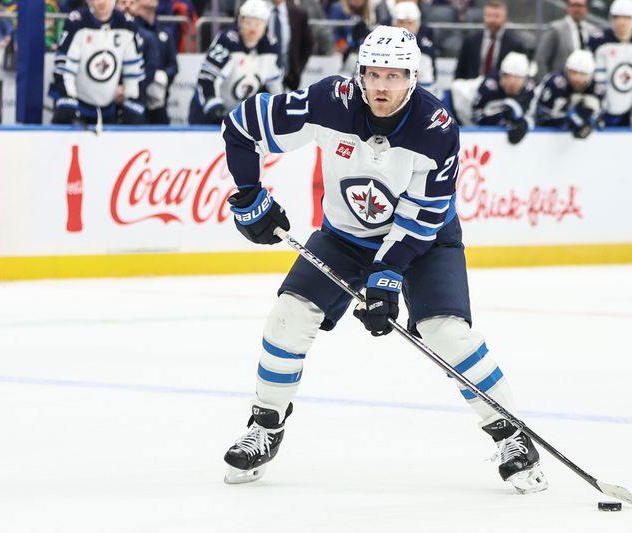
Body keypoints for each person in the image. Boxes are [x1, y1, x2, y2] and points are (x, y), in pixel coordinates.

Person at [219, 25, 549, 495]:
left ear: (412, 77)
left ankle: (511, 434)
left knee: (446, 332)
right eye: (372, 74)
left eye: (392, 76)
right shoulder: (329, 102)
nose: (380, 86)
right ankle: (265, 426)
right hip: (344, 237)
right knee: (289, 315)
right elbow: (241, 124)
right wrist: (249, 194)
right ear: (359, 74)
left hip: (426, 242)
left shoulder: (436, 129)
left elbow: (423, 217)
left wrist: (387, 274)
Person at [48, 0, 146, 125]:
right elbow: (65, 66)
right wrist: (67, 98)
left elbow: (134, 70)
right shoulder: (77, 22)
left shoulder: (127, 25)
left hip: (109, 109)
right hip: (77, 108)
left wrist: (133, 99)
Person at [188, 0, 281, 125]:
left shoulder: (270, 47)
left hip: (239, 118)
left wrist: (279, 109)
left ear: (265, 26)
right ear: (240, 22)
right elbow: (206, 79)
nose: (253, 28)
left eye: (258, 23)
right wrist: (215, 109)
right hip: (208, 115)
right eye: (248, 22)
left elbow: (274, 84)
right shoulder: (228, 41)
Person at [589, 0, 632, 126]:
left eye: (627, 18)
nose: (622, 22)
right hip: (605, 104)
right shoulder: (598, 41)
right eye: (617, 18)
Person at [531, 49, 603, 139]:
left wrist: (589, 119)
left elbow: (601, 122)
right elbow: (541, 118)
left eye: (583, 74)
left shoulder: (596, 89)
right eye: (573, 72)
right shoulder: (555, 83)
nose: (577, 78)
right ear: (566, 70)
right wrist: (568, 119)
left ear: (591, 75)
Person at [472, 52, 535, 145]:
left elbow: (533, 115)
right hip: (459, 107)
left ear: (525, 79)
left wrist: (524, 124)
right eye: (508, 77)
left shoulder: (529, 89)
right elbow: (475, 116)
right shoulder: (489, 86)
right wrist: (500, 119)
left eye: (518, 79)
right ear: (501, 75)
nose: (512, 83)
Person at [454, 0, 526, 80]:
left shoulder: (515, 45)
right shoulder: (470, 42)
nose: (492, 20)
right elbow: (459, 73)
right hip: (471, 88)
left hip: (500, 91)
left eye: (496, 16)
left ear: (505, 18)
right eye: (489, 15)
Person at [132, 0, 179, 124]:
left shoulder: (165, 31)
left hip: (159, 100)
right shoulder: (132, 29)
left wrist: (162, 76)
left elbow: (173, 66)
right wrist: (148, 78)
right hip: (135, 99)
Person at [534, 0, 596, 82]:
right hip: (561, 84)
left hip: (586, 85)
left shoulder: (593, 31)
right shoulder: (556, 29)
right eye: (574, 5)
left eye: (580, 6)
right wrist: (545, 82)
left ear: (586, 8)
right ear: (568, 7)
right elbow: (541, 59)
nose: (577, 9)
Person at [265, 0, 313, 91]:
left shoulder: (299, 13)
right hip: (260, 79)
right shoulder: (253, 10)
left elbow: (307, 45)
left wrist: (297, 70)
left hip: (288, 78)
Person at [392, 1, 437, 95]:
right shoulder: (380, 47)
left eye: (410, 23)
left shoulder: (425, 53)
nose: (405, 27)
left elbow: (428, 89)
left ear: (417, 24)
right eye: (401, 22)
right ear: (393, 23)